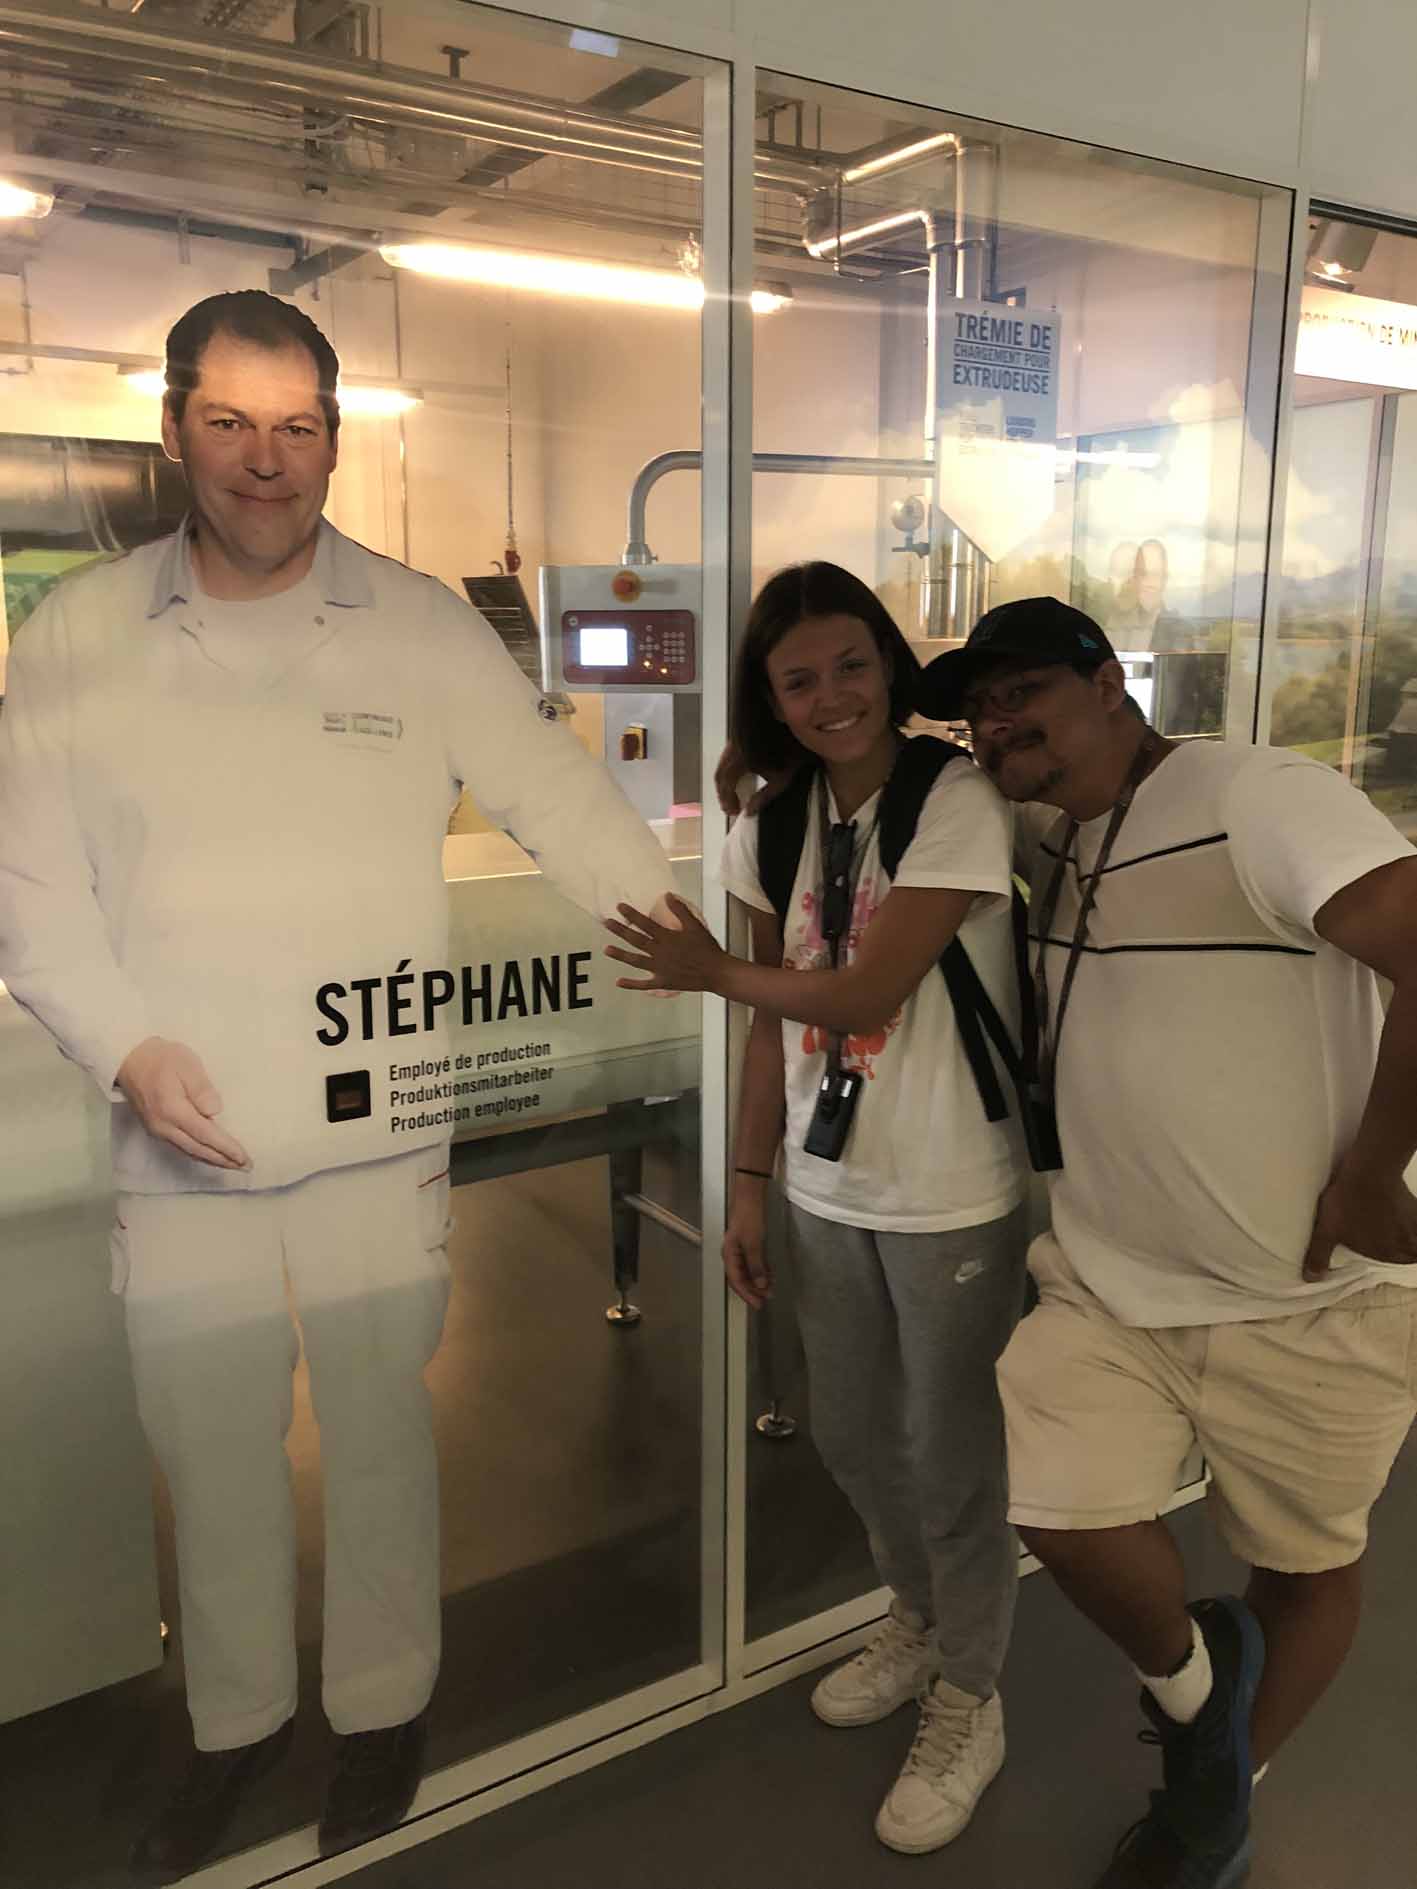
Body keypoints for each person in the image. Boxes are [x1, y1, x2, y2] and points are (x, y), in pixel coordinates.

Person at [0, 290, 679, 1878]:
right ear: (174, 429)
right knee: (210, 1440)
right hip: (179, 1138)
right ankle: (234, 1721)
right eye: (231, 423)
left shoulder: (418, 623)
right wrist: (127, 1045)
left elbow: (558, 799)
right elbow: (33, 891)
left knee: (378, 1426)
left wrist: (702, 951)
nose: (266, 459)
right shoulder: (80, 634)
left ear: (333, 440)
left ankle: (383, 1707)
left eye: (298, 427)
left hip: (381, 1127)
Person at [914, 596, 1417, 1889]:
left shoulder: (1255, 796)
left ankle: (1214, 1803)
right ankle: (1205, 1694)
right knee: (1060, 1507)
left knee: (1302, 1564)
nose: (995, 725)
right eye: (976, 711)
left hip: (1312, 1298)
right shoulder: (1056, 832)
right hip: (1110, 1284)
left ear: (1108, 686)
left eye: (1022, 692)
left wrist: (1371, 1174)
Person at [604, 561, 1028, 1856]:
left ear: (889, 665)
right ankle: (919, 1615)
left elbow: (860, 993)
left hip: (950, 1186)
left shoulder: (952, 801)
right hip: (824, 1180)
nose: (833, 695)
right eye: (800, 680)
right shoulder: (772, 825)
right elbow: (761, 1028)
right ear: (770, 698)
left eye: (852, 665)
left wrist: (707, 966)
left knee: (949, 1448)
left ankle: (973, 1688)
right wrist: (745, 1184)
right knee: (850, 1431)